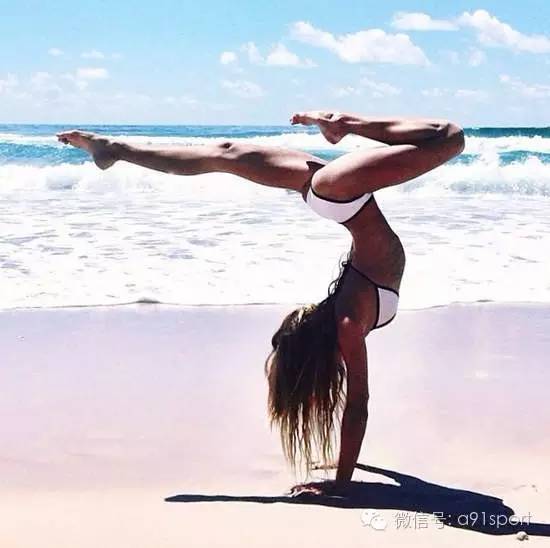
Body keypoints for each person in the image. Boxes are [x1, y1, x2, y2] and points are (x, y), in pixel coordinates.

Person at [57, 111, 465, 496]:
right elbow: (356, 407)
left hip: (342, 196)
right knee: (225, 154)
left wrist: (344, 481)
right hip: (336, 197)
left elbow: (360, 404)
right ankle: (114, 149)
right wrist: (345, 481)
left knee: (448, 137)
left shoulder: (349, 323)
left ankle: (115, 149)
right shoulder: (346, 325)